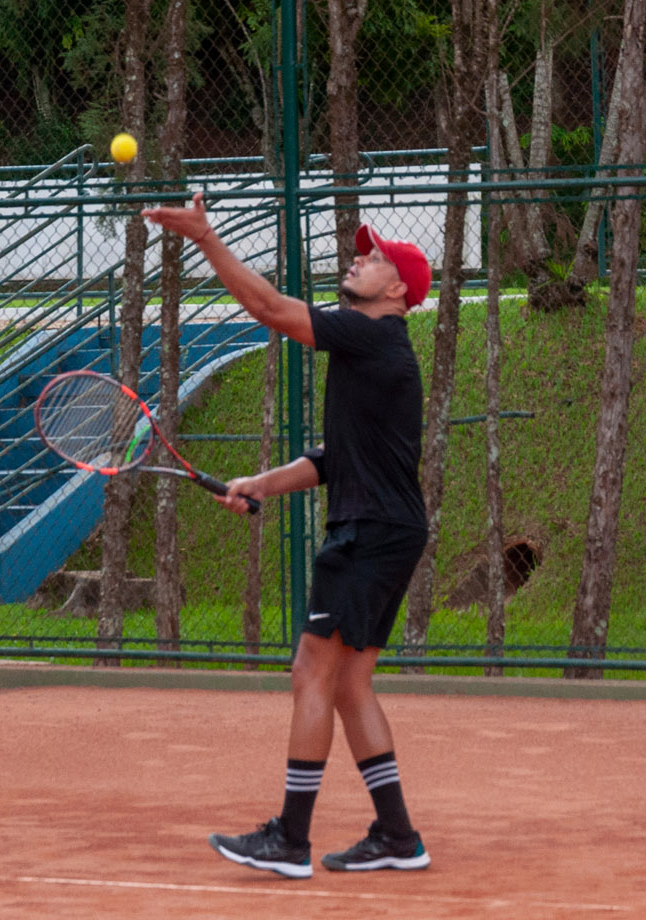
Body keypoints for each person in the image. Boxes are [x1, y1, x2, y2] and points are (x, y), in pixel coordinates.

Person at [141, 193, 433, 879]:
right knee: (350, 684)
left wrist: (204, 237)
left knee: (311, 671)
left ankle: (290, 840)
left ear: (397, 290)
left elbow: (270, 308)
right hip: (390, 528)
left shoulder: (372, 336)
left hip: (369, 533)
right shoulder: (376, 352)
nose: (357, 260)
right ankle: (397, 836)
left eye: (373, 258)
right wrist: (260, 483)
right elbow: (336, 459)